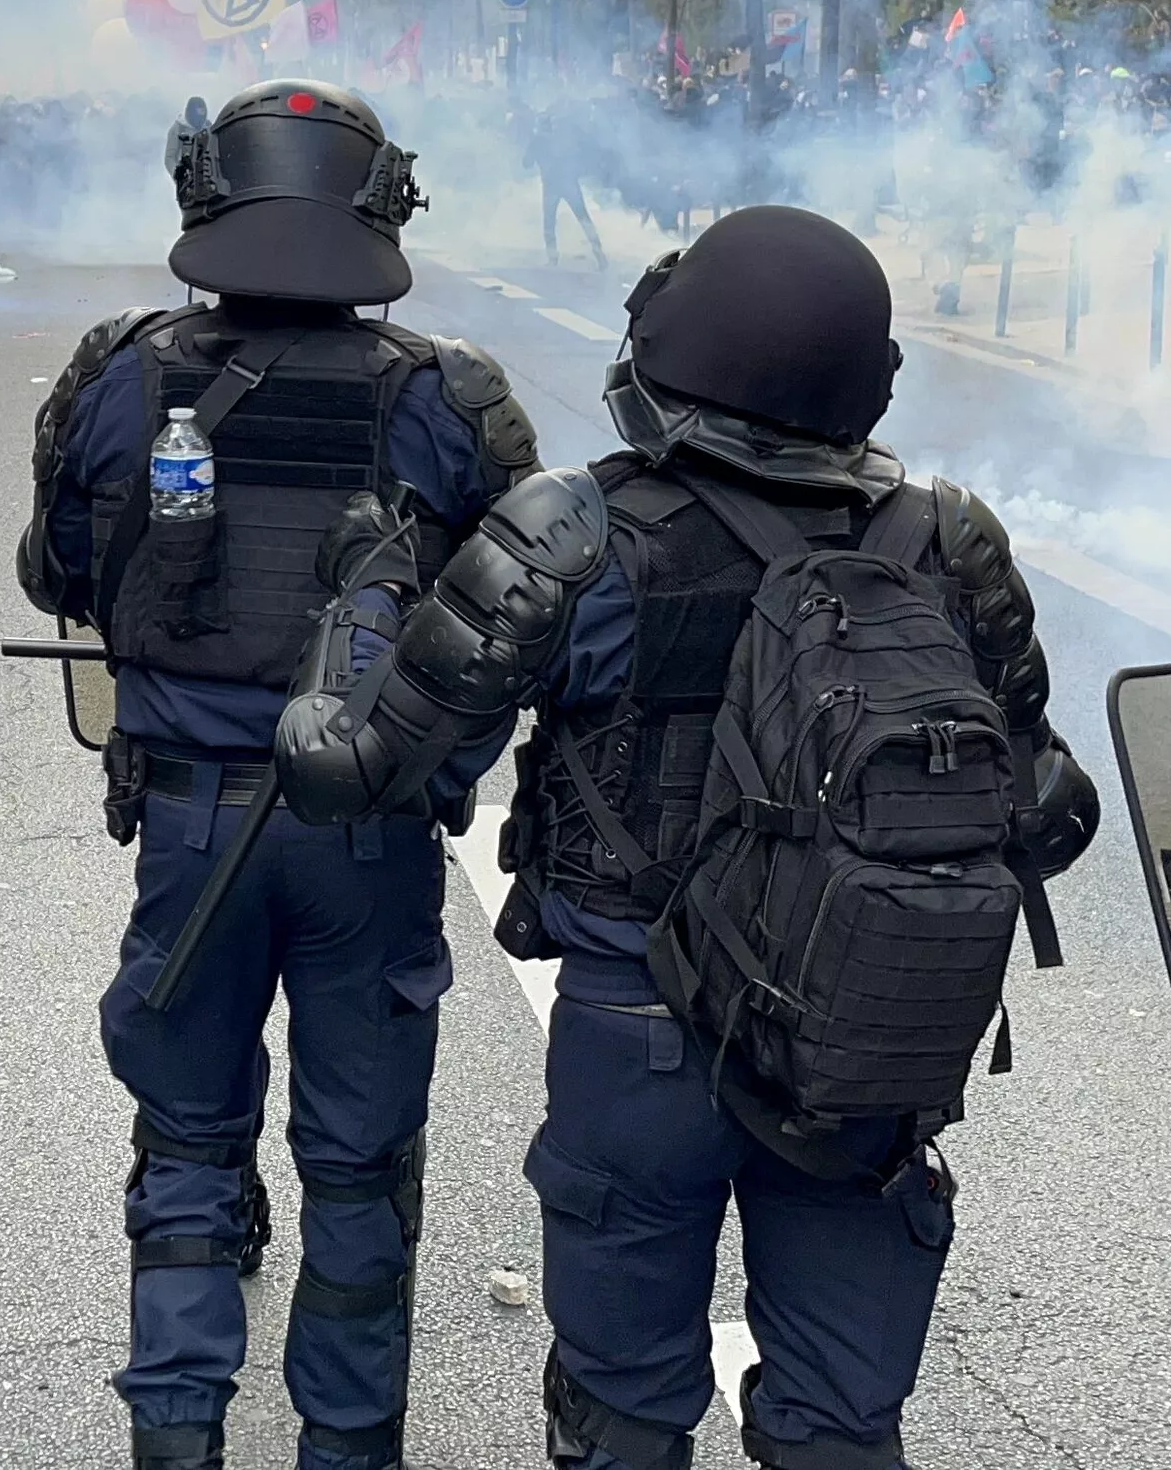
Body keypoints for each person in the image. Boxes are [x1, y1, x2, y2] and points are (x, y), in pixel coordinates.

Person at [274, 205, 1102, 1470]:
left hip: (642, 1035)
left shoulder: (579, 531)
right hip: (865, 1047)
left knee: (621, 1413)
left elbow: (351, 770)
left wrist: (368, 595)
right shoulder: (946, 538)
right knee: (843, 1426)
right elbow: (1050, 814)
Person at [18, 80, 541, 1470]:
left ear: (209, 191)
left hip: (189, 824)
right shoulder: (449, 397)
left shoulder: (118, 374)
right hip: (368, 831)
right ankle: (348, 1444)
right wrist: (438, 762)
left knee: (189, 1144)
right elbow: (520, 622)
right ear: (381, 203)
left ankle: (176, 1432)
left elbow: (57, 569)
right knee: (359, 1166)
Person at [526, 105, 607, 270]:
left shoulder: (537, 141)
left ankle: (553, 258)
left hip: (551, 185)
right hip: (569, 183)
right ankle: (600, 256)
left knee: (549, 222)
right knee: (584, 219)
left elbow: (526, 164)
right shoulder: (564, 140)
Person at [163, 95, 210, 177]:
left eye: (203, 112)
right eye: (198, 112)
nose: (201, 116)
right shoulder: (178, 129)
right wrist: (176, 172)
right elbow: (169, 157)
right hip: (186, 177)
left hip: (207, 175)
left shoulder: (208, 128)